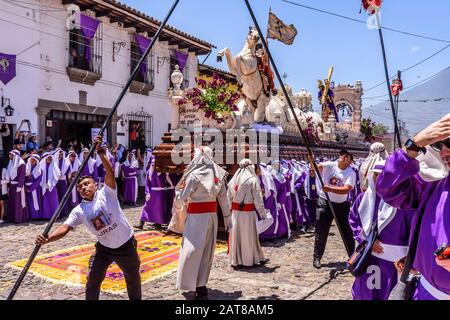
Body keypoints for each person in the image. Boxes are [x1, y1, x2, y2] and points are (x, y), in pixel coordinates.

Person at [36, 136, 141, 300]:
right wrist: (47, 239)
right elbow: (65, 228)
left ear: (95, 185)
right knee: (92, 281)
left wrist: (99, 151)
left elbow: (110, 172)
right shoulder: (79, 210)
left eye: (86, 184)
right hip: (104, 249)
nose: (83, 187)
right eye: (80, 187)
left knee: (133, 281)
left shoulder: (107, 193)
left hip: (125, 245)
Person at [376, 114, 450, 300]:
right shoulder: (433, 184)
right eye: (439, 146)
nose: (443, 154)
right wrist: (414, 145)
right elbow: (389, 189)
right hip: (424, 292)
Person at [349, 160, 412, 300]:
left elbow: (413, 229)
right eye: (376, 175)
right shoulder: (363, 198)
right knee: (366, 294)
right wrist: (365, 239)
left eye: (384, 175)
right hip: (369, 257)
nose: (379, 179)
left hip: (395, 262)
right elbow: (354, 220)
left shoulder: (404, 202)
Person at [173, 146, 231, 300]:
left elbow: (181, 198)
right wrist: (227, 219)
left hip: (196, 218)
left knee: (191, 251)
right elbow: (224, 200)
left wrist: (176, 203)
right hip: (211, 217)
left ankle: (192, 283)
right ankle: (201, 285)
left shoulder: (193, 175)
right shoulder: (217, 174)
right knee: (206, 252)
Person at [309, 149, 356, 269]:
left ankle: (353, 257)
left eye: (346, 156)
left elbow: (346, 189)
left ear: (350, 161)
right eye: (342, 154)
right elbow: (316, 167)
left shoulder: (351, 173)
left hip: (341, 205)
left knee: (347, 232)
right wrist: (311, 161)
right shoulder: (330, 165)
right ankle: (317, 257)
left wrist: (330, 189)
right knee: (321, 231)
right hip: (325, 202)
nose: (343, 157)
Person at [227, 159, 268, 267]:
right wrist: (262, 213)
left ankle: (238, 259)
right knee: (248, 236)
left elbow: (228, 197)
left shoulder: (233, 180)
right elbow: (258, 199)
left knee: (238, 236)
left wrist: (228, 211)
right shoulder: (253, 180)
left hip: (235, 213)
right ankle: (249, 259)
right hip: (247, 214)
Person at [137, 157, 175, 230]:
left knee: (159, 209)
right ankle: (141, 224)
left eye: (155, 164)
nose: (153, 166)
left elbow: (167, 180)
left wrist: (171, 185)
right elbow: (147, 183)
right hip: (152, 193)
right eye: (152, 164)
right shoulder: (149, 172)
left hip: (161, 193)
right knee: (146, 207)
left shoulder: (163, 172)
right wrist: (147, 193)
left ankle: (158, 224)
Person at [5, 150, 28, 223]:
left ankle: (19, 218)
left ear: (15, 156)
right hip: (12, 186)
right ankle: (11, 218)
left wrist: (20, 186)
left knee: (19, 202)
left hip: (18, 187)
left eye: (11, 155)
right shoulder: (11, 163)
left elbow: (22, 176)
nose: (9, 156)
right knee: (12, 202)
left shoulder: (21, 164)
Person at [40, 152, 61, 220]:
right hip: (44, 186)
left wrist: (51, 183)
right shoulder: (41, 165)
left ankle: (55, 215)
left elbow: (58, 174)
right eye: (48, 158)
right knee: (45, 201)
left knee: (53, 201)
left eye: (50, 158)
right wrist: (44, 183)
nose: (49, 159)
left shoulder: (54, 165)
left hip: (52, 186)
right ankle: (46, 215)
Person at [25, 154, 43, 220]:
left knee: (35, 203)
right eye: (31, 159)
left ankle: (35, 216)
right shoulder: (27, 168)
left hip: (34, 188)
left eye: (34, 160)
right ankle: (29, 216)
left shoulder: (39, 170)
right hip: (26, 188)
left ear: (37, 161)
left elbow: (38, 181)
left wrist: (31, 189)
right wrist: (25, 187)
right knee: (29, 203)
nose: (32, 161)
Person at [55, 148, 70, 217]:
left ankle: (64, 212)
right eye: (59, 153)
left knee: (63, 196)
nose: (60, 154)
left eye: (62, 153)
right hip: (56, 181)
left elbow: (68, 171)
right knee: (57, 196)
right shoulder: (54, 161)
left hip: (63, 181)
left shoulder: (66, 162)